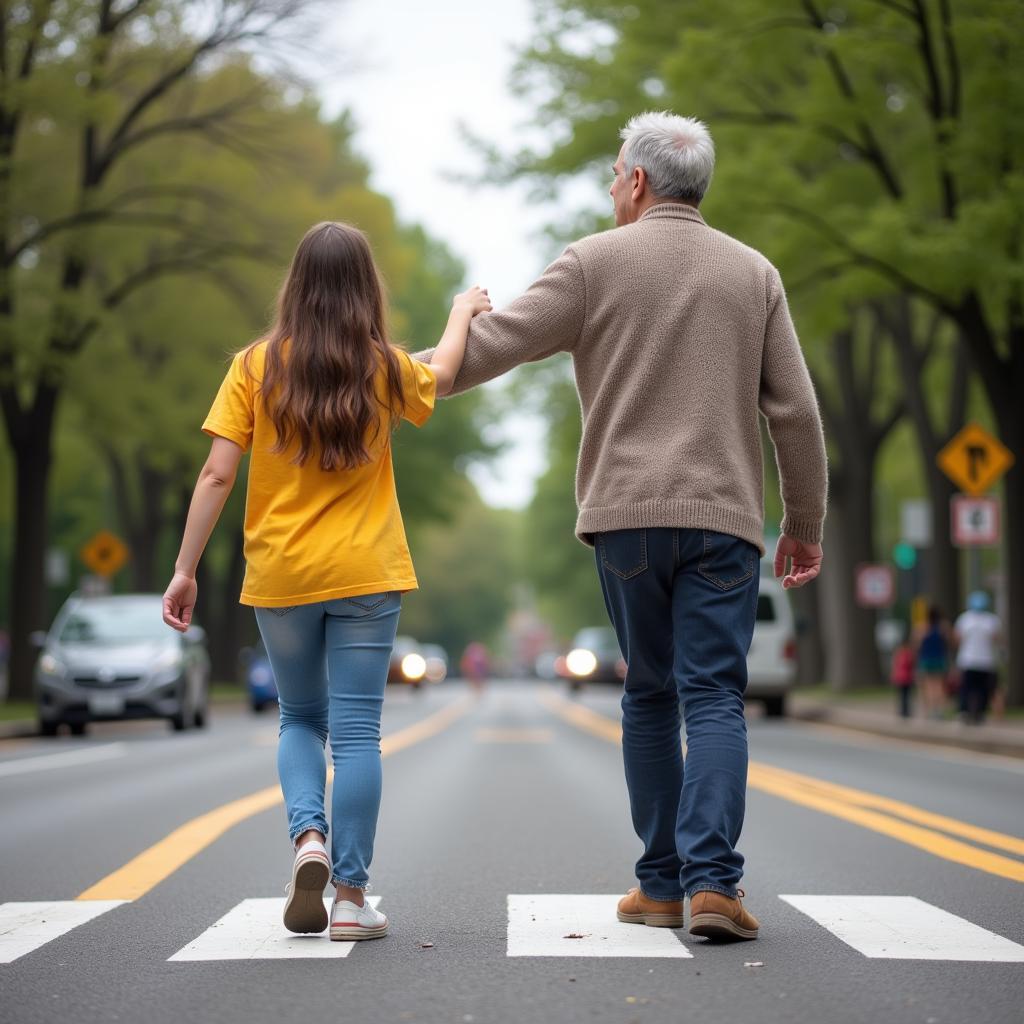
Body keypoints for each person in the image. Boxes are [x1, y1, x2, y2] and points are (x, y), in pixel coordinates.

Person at [418, 112, 827, 941]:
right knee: (714, 697)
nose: (611, 188)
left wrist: (392, 370)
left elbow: (485, 352)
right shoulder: (754, 274)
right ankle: (716, 884)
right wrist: (803, 522)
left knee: (648, 694)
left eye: (614, 176)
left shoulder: (591, 263)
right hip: (723, 525)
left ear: (639, 182)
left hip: (627, 524)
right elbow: (797, 412)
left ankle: (662, 885)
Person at [162, 222, 491, 940]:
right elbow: (447, 375)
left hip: (280, 575)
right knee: (357, 735)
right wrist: (461, 311)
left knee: (298, 718)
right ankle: (349, 896)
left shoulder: (253, 367)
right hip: (367, 575)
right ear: (366, 288)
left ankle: (306, 838)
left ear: (296, 285)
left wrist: (185, 570)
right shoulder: (381, 367)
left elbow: (218, 471)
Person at [953, 591, 1002, 725]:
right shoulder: (991, 620)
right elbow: (997, 639)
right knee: (976, 689)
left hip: (975, 660)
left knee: (972, 689)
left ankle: (971, 712)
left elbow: (957, 638)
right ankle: (973, 712)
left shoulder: (965, 619)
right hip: (979, 660)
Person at [914, 605, 950, 719]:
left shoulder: (922, 627)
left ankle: (927, 711)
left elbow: (916, 645)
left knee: (928, 686)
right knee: (939, 686)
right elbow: (950, 642)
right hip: (940, 659)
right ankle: (939, 711)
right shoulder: (943, 627)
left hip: (926, 659)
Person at [890, 637, 916, 719]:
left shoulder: (899, 653)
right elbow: (910, 664)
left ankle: (903, 711)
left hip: (901, 678)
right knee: (905, 696)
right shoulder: (908, 654)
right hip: (905, 678)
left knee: (903, 696)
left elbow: (895, 665)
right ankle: (905, 711)